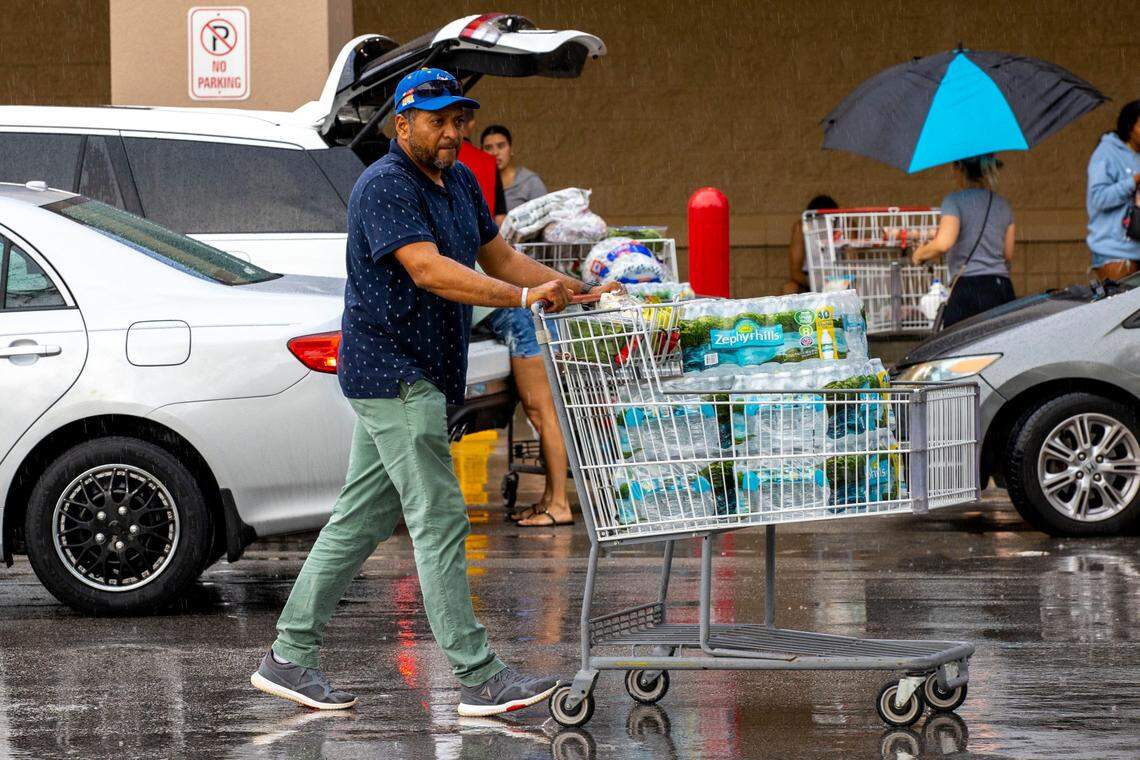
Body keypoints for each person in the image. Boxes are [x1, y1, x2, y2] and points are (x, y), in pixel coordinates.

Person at [249, 68, 619, 717]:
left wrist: (577, 292)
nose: (453, 131)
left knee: (360, 518)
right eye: (438, 119)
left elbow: (498, 259)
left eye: (460, 119)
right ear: (403, 123)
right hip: (395, 375)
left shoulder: (461, 182)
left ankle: (288, 656)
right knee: (440, 516)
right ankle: (477, 675)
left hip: (421, 373)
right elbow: (428, 269)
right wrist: (524, 299)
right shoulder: (384, 186)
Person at [912, 154, 1015, 328]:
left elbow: (944, 243)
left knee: (960, 349)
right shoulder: (1003, 204)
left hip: (968, 290)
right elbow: (1008, 254)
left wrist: (919, 254)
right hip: (1001, 289)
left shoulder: (954, 201)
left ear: (958, 168)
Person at [1086, 99, 1140, 281]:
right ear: (1130, 126)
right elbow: (1098, 199)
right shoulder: (1106, 152)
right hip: (1114, 252)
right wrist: (1133, 181)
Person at [481, 124, 547, 211]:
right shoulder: (476, 183)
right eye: (488, 148)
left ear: (511, 149)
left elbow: (546, 217)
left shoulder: (530, 182)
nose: (495, 153)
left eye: (501, 146)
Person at [458, 108, 507, 222]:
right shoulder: (489, 161)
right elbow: (500, 217)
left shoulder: (439, 160)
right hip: (486, 236)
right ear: (472, 124)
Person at [783, 194, 838, 294]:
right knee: (789, 288)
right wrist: (814, 282)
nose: (822, 227)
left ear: (835, 219)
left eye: (827, 222)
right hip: (808, 278)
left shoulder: (846, 225)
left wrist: (836, 282)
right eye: (818, 222)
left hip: (837, 277)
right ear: (810, 220)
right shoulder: (801, 228)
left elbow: (852, 263)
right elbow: (795, 271)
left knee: (859, 285)